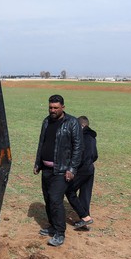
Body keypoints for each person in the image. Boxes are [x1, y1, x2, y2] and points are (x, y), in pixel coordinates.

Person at [34, 94, 83, 246]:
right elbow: (42, 143)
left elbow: (78, 147)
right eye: (50, 107)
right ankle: (52, 226)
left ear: (63, 107)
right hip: (46, 169)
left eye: (56, 108)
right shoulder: (46, 121)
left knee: (55, 200)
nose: (52, 110)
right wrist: (37, 163)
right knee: (48, 199)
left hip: (62, 170)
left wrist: (72, 168)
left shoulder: (72, 123)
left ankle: (60, 233)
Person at [65, 116, 98, 230]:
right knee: (85, 194)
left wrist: (73, 169)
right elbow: (95, 155)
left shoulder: (81, 138)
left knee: (69, 190)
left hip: (82, 169)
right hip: (90, 169)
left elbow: (79, 156)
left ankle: (84, 217)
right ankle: (85, 219)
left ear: (82, 126)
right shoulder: (92, 137)